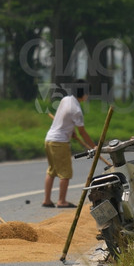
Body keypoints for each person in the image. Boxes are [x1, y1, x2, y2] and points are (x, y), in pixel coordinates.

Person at [43, 79, 97, 208]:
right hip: (59, 142)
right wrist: (94, 146)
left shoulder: (66, 99)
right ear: (83, 94)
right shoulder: (77, 110)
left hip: (49, 139)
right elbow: (82, 132)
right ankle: (62, 201)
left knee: (52, 171)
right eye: (87, 93)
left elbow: (63, 119)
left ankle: (47, 200)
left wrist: (71, 131)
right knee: (65, 173)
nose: (88, 95)